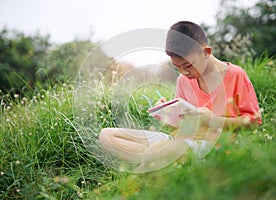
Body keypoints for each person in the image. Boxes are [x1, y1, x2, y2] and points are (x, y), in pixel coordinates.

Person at [98, 21, 262, 172]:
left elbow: (254, 122)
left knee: (174, 148)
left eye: (188, 65)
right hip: (177, 140)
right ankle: (154, 161)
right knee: (107, 135)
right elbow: (182, 126)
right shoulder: (183, 81)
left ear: (206, 52)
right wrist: (168, 115)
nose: (184, 72)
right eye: (177, 67)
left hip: (210, 145)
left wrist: (214, 119)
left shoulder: (235, 75)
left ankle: (150, 163)